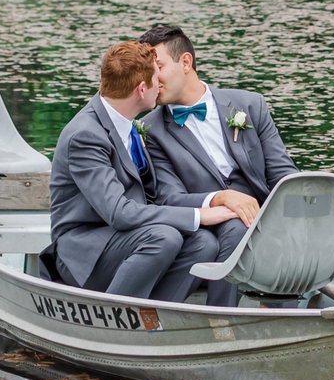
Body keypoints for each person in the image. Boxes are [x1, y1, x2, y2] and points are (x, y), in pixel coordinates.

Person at [49, 41, 254, 306]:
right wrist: (199, 215)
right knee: (164, 237)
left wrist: (215, 201)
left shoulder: (127, 123)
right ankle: (113, 319)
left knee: (203, 243)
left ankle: (153, 322)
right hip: (86, 251)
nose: (161, 85)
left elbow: (152, 195)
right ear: (141, 89)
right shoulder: (85, 136)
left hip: (125, 239)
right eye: (156, 78)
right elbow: (120, 213)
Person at [138, 25, 299, 217]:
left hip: (266, 214)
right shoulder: (149, 130)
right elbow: (170, 198)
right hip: (212, 223)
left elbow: (283, 174)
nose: (150, 80)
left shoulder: (250, 105)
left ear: (186, 62)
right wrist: (218, 198)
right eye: (144, 72)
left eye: (157, 68)